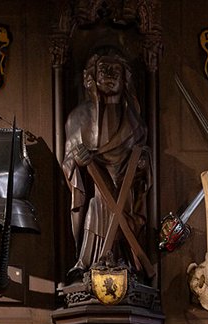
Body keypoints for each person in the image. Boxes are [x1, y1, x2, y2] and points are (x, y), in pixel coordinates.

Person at [62, 48, 149, 278]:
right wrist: (76, 161)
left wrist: (142, 164)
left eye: (115, 71)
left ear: (125, 79)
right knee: (95, 206)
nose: (109, 75)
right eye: (103, 70)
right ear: (92, 77)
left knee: (121, 209)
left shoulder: (135, 123)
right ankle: (88, 262)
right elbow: (68, 160)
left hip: (124, 189)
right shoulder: (78, 117)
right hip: (93, 187)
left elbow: (143, 160)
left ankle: (126, 262)